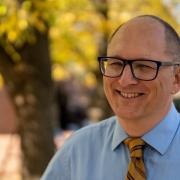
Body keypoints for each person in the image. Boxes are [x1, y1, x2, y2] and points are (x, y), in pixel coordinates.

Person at [41, 15, 180, 180]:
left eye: (143, 66)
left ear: (176, 79)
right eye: (116, 63)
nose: (125, 80)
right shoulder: (76, 151)